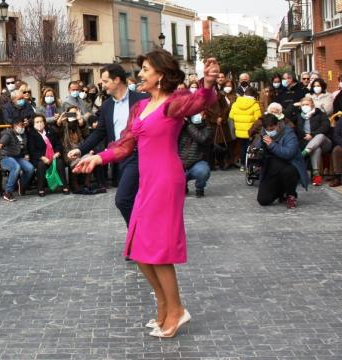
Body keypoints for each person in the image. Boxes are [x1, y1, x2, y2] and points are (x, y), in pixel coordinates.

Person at [74, 51, 221, 338]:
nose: (140, 74)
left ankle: (176, 310)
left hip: (166, 180)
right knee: (138, 248)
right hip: (147, 179)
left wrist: (209, 82)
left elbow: (200, 101)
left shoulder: (173, 103)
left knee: (158, 250)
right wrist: (97, 158)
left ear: (160, 75)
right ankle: (164, 305)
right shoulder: (140, 107)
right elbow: (125, 144)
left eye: (145, 69)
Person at [68, 63, 148, 224]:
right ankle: (139, 235)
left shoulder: (142, 99)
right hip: (120, 158)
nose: (102, 85)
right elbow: (99, 132)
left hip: (142, 155)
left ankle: (139, 237)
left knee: (124, 199)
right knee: (129, 200)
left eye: (105, 81)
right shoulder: (107, 106)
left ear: (117, 80)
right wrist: (80, 149)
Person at [255, 114, 309, 208]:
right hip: (272, 168)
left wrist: (272, 145)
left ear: (278, 125)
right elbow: (257, 147)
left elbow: (289, 153)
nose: (270, 132)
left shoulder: (289, 133)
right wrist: (258, 150)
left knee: (288, 171)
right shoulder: (264, 133)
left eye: (272, 129)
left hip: (289, 165)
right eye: (268, 130)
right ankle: (280, 191)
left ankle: (291, 194)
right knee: (263, 200)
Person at [27, 114, 69, 197]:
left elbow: (58, 144)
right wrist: (43, 157)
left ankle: (64, 186)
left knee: (59, 162)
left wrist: (57, 152)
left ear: (44, 122)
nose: (39, 124)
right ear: (33, 124)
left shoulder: (50, 131)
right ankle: (41, 188)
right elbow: (32, 150)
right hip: (39, 158)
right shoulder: (31, 134)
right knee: (41, 165)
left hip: (53, 156)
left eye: (41, 121)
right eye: (37, 122)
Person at [294, 97, 332, 186]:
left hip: (324, 142)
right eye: (303, 105)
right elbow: (288, 117)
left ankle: (305, 152)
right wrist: (293, 105)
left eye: (307, 104)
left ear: (312, 105)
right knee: (316, 149)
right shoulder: (299, 116)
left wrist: (312, 135)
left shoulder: (320, 114)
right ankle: (316, 175)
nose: (305, 106)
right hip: (309, 143)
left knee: (320, 136)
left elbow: (325, 127)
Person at [0, 117, 34, 202]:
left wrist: (26, 154)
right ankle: (8, 192)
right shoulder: (8, 133)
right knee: (16, 167)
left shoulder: (23, 134)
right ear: (14, 125)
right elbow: (3, 141)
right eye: (21, 125)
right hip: (6, 157)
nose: (22, 127)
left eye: (23, 125)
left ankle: (21, 184)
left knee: (30, 168)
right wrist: (1, 144)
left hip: (18, 157)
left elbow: (24, 147)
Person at [180, 111, 213, 197]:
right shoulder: (182, 127)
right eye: (195, 112)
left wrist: (189, 125)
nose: (197, 115)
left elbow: (202, 139)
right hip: (180, 163)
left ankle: (199, 188)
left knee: (203, 171)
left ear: (205, 116)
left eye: (200, 113)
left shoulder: (207, 128)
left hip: (197, 162)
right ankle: (183, 186)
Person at [229, 87, 261, 171]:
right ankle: (250, 165)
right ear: (253, 95)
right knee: (251, 147)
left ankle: (243, 165)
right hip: (251, 131)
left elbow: (231, 116)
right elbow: (258, 118)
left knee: (242, 147)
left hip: (239, 131)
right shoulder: (255, 104)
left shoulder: (236, 103)